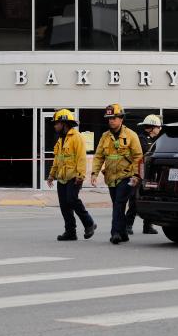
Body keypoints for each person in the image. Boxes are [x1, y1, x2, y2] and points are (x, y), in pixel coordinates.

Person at [91, 104, 143, 245]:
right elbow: (99, 156)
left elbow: (139, 157)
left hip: (127, 176)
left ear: (121, 119)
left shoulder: (131, 135)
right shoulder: (105, 137)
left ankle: (115, 233)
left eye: (114, 118)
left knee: (119, 203)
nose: (111, 121)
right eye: (109, 118)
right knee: (117, 204)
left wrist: (137, 176)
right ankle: (124, 233)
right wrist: (94, 173)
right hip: (111, 178)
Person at [47, 109, 96, 241]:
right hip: (62, 177)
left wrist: (80, 176)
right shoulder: (60, 140)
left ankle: (89, 223)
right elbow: (57, 159)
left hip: (74, 176)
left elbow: (81, 158)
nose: (55, 125)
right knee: (64, 205)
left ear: (64, 123)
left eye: (57, 123)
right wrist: (52, 175)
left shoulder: (77, 137)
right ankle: (70, 232)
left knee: (72, 200)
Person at [126, 114, 163, 235]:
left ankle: (147, 226)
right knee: (134, 200)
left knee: (149, 200)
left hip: (152, 175)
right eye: (158, 127)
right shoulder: (141, 139)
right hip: (139, 174)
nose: (160, 129)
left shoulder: (157, 140)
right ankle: (128, 225)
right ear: (152, 127)